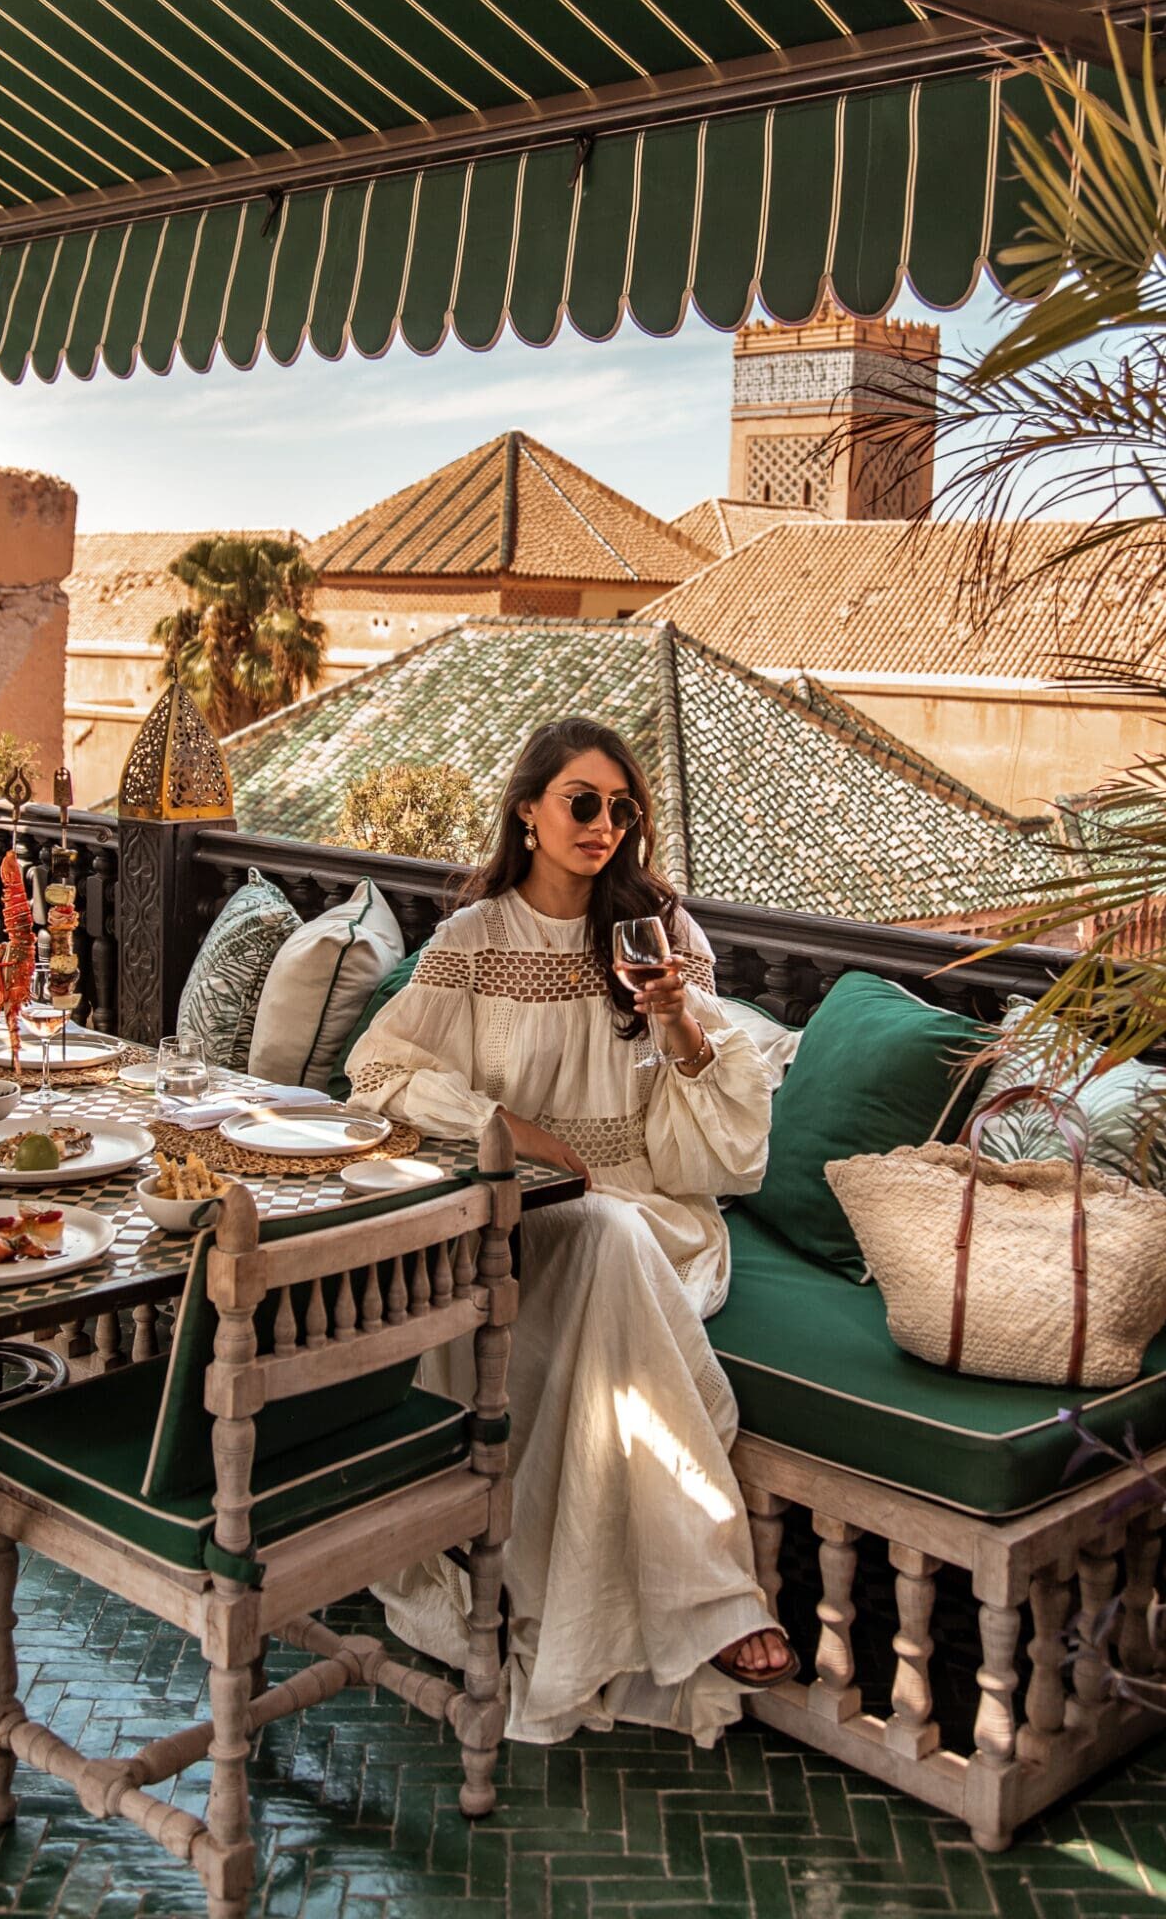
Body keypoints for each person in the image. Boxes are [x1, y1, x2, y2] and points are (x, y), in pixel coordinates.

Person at [344, 716, 795, 1749]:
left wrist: (679, 1022)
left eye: (621, 808)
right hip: (518, 1215)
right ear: (529, 811)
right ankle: (711, 1596)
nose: (602, 824)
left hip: (651, 1215)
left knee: (613, 1234)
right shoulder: (471, 942)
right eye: (581, 802)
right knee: (593, 1232)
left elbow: (720, 1158)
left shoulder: (662, 933)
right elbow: (380, 1071)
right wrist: (511, 1129)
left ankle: (680, 1599)